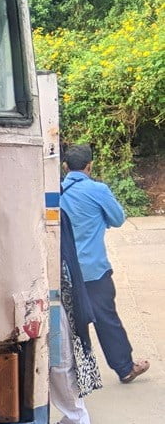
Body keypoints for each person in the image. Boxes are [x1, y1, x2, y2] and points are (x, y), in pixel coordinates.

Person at [59, 144, 149, 384]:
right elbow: (118, 219)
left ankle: (73, 377)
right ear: (90, 166)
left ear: (65, 167)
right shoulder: (97, 189)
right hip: (93, 271)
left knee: (70, 325)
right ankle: (125, 367)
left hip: (64, 271)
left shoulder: (55, 192)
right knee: (107, 320)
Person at [49, 211, 102, 424]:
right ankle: (75, 416)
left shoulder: (54, 214)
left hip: (56, 296)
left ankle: (77, 418)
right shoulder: (57, 211)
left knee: (59, 359)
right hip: (60, 295)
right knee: (58, 359)